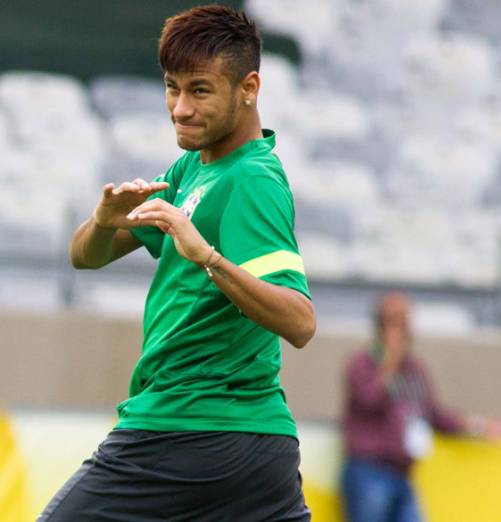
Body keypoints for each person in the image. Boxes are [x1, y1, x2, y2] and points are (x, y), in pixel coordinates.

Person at [39, 5, 316, 521]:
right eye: (173, 87)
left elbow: (299, 321)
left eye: (200, 90)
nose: (180, 108)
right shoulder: (193, 166)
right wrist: (104, 220)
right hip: (254, 447)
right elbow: (84, 257)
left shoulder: (252, 180)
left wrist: (207, 257)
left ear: (249, 88)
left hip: (183, 429)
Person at [341, 291, 501, 522]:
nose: (403, 330)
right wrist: (389, 360)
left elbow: (433, 414)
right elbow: (369, 399)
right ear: (380, 326)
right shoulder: (362, 364)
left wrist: (478, 426)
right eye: (395, 321)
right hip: (369, 472)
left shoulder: (414, 370)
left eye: (405, 322)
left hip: (403, 474)